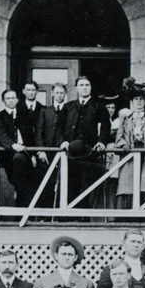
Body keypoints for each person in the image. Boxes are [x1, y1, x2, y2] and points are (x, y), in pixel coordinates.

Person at [54, 75, 112, 208]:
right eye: (81, 85)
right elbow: (59, 128)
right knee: (71, 182)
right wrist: (62, 142)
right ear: (76, 88)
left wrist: (102, 141)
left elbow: (105, 126)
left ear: (90, 87)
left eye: (87, 85)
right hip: (71, 152)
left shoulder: (99, 106)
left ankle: (85, 216)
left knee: (87, 184)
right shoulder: (68, 106)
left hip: (90, 152)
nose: (84, 88)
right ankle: (69, 216)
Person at [0, 89, 36, 208]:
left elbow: (31, 136)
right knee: (18, 182)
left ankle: (23, 210)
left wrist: (33, 154)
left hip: (26, 154)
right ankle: (20, 209)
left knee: (26, 182)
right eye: (8, 98)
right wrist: (13, 145)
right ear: (3, 101)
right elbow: (1, 135)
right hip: (9, 155)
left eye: (13, 98)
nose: (11, 101)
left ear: (17, 100)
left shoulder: (25, 115)